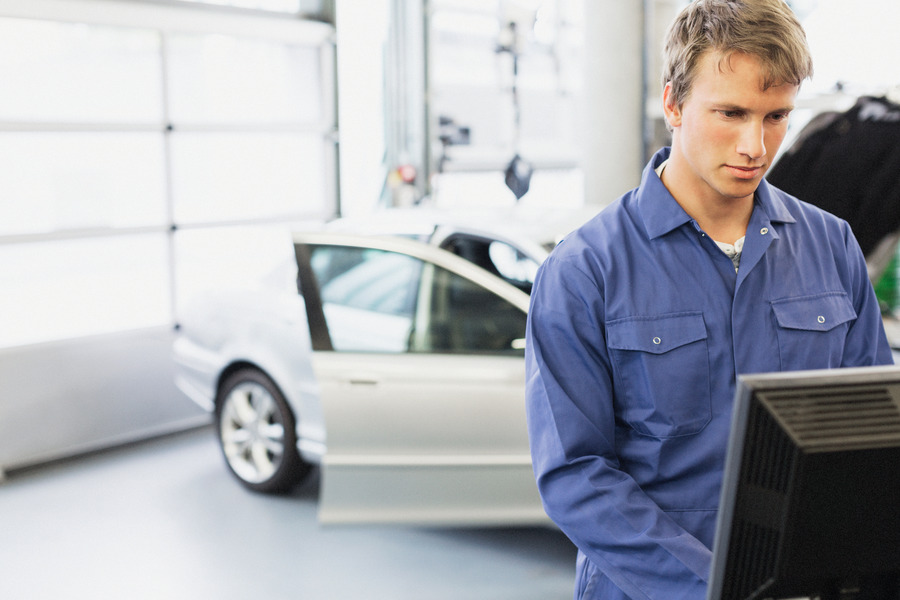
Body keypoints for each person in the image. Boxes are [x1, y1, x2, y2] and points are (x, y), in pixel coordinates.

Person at [524, 1, 895, 599]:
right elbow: (577, 475)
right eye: (731, 113)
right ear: (673, 103)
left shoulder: (831, 245)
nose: (756, 144)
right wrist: (715, 589)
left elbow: (868, 439)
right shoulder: (584, 271)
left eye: (777, 116)